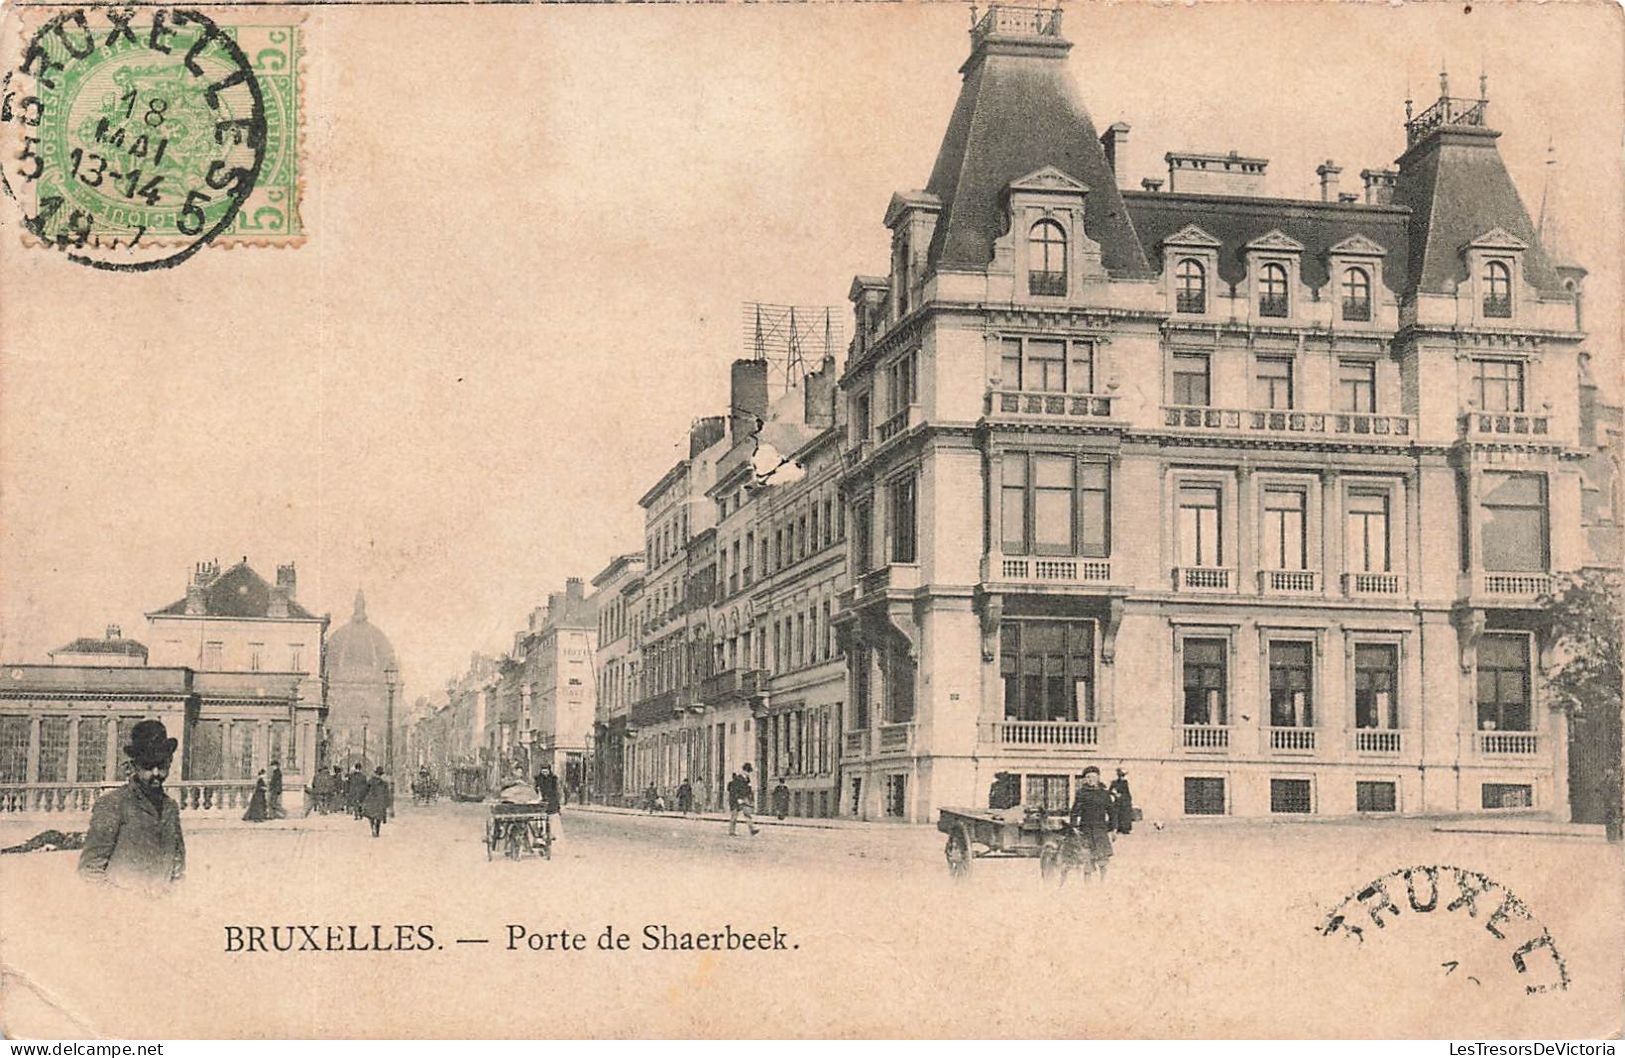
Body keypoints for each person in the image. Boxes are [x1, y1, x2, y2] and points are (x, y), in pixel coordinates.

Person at [78, 719, 185, 892]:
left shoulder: (170, 808)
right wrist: (126, 904)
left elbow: (178, 867)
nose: (156, 773)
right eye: (148, 766)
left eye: (161, 765)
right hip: (123, 911)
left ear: (169, 763)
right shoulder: (113, 804)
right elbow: (90, 870)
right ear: (135, 766)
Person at [1067, 766, 1115, 882]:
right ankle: (1088, 888)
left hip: (1100, 831)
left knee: (1103, 861)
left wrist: (1113, 829)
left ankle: (1103, 884)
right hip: (1086, 831)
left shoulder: (1104, 794)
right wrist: (1074, 827)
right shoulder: (1081, 794)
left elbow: (1112, 812)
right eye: (1087, 777)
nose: (1090, 779)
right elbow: (1074, 812)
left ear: (1098, 777)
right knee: (1087, 862)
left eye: (1092, 777)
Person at [727, 763, 760, 836]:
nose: (748, 773)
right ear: (744, 771)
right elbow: (734, 790)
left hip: (744, 798)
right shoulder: (738, 779)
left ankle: (752, 829)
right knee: (734, 816)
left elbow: (748, 789)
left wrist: (750, 797)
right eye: (747, 772)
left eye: (749, 772)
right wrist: (738, 798)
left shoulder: (747, 779)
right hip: (735, 800)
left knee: (747, 813)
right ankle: (731, 831)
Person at [534, 762, 563, 844]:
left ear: (549, 770)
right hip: (541, 801)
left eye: (546, 771)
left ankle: (552, 834)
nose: (545, 773)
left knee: (553, 819)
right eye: (543, 771)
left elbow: (557, 791)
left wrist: (558, 805)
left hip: (552, 802)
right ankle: (540, 833)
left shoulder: (554, 779)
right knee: (539, 818)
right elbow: (535, 790)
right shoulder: (537, 779)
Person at [361, 767, 391, 837]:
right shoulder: (384, 783)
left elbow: (365, 790)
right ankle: (377, 831)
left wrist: (363, 799)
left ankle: (373, 827)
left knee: (371, 816)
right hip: (380, 801)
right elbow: (387, 794)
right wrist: (387, 803)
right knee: (378, 818)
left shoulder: (370, 781)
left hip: (371, 801)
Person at [1109, 768, 1134, 835]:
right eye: (1121, 775)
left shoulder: (1125, 782)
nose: (1122, 777)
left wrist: (1129, 799)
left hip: (1125, 801)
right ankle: (1119, 828)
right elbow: (1110, 791)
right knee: (1119, 814)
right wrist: (1115, 794)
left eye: (1123, 776)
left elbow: (1127, 792)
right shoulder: (1114, 782)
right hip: (1118, 801)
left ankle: (1125, 829)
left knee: (1125, 815)